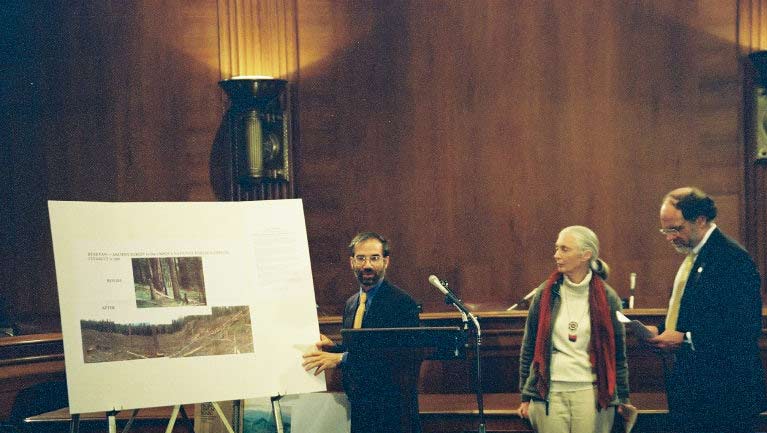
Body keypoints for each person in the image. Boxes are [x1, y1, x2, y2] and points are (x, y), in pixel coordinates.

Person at [647, 187, 766, 433]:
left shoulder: (731, 258)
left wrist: (686, 338)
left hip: (725, 392)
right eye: (665, 230)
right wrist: (659, 330)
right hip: (695, 389)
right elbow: (695, 312)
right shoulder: (696, 257)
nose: (670, 237)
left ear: (700, 220)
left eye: (675, 229)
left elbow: (745, 326)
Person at [302, 231, 421, 433]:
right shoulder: (351, 304)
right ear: (352, 262)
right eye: (361, 258)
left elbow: (396, 356)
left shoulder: (402, 303)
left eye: (374, 258)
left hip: (393, 413)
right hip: (360, 408)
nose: (367, 265)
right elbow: (361, 349)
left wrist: (340, 359)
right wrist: (334, 348)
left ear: (386, 261)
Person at [518, 225, 632, 433]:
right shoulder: (545, 293)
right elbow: (529, 348)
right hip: (548, 392)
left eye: (564, 249)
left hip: (592, 392)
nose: (556, 255)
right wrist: (526, 396)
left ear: (585, 255)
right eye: (556, 248)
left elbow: (618, 354)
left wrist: (622, 398)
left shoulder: (608, 297)